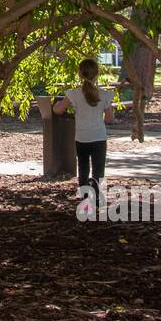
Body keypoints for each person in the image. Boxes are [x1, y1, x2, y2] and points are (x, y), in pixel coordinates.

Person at [52, 58, 115, 210]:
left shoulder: (73, 94)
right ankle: (97, 198)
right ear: (97, 74)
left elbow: (59, 110)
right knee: (98, 169)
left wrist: (55, 106)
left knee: (84, 168)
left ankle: (85, 200)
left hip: (82, 137)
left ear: (80, 73)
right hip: (99, 137)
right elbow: (109, 118)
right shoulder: (105, 95)